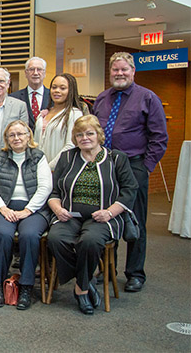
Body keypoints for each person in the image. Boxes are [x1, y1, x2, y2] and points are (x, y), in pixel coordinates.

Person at [47, 115, 138, 314]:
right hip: (69, 215)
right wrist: (57, 209)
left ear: (99, 135)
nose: (85, 138)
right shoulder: (67, 158)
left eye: (89, 133)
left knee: (90, 241)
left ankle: (81, 289)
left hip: (103, 218)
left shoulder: (116, 158)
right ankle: (86, 278)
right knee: (55, 238)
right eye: (79, 135)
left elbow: (130, 190)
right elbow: (54, 192)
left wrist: (109, 212)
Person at [93, 52, 168, 293]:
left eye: (124, 70)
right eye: (115, 70)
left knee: (134, 220)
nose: (119, 74)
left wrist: (145, 167)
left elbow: (159, 137)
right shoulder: (102, 98)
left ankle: (135, 273)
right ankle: (107, 269)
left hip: (134, 165)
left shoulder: (148, 97)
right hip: (106, 165)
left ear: (133, 71)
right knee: (105, 217)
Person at [0, 120, 52, 310]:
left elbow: (45, 187)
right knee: (2, 235)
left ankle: (26, 286)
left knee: (30, 235)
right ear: (6, 139)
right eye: (12, 135)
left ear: (28, 136)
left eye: (20, 134)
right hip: (4, 206)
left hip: (34, 208)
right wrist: (2, 208)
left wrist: (28, 210)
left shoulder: (38, 157)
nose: (16, 138)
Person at [34, 73, 85, 170]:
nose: (57, 91)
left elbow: (71, 145)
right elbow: (35, 144)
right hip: (39, 170)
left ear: (70, 91)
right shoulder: (43, 114)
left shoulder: (74, 114)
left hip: (61, 170)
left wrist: (49, 168)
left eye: (62, 88)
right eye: (54, 87)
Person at [10, 57, 51, 131]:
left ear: (44, 73)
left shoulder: (53, 97)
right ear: (26, 73)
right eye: (31, 69)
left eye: (39, 69)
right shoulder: (13, 98)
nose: (35, 73)